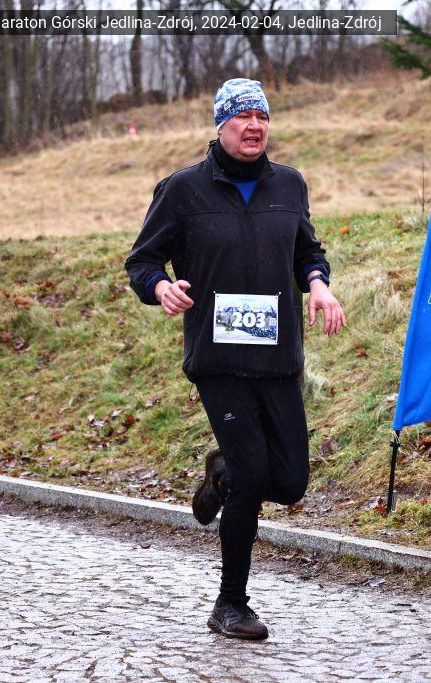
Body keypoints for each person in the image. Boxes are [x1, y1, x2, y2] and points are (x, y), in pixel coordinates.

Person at [124, 78, 346, 641]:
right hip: (218, 359)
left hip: (277, 357)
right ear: (221, 125)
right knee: (253, 475)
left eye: (262, 117)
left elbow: (307, 250)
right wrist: (159, 287)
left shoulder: (289, 184)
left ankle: (221, 475)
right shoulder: (182, 191)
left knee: (289, 482)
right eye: (243, 117)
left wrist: (318, 284)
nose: (254, 126)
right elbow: (142, 262)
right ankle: (230, 604)